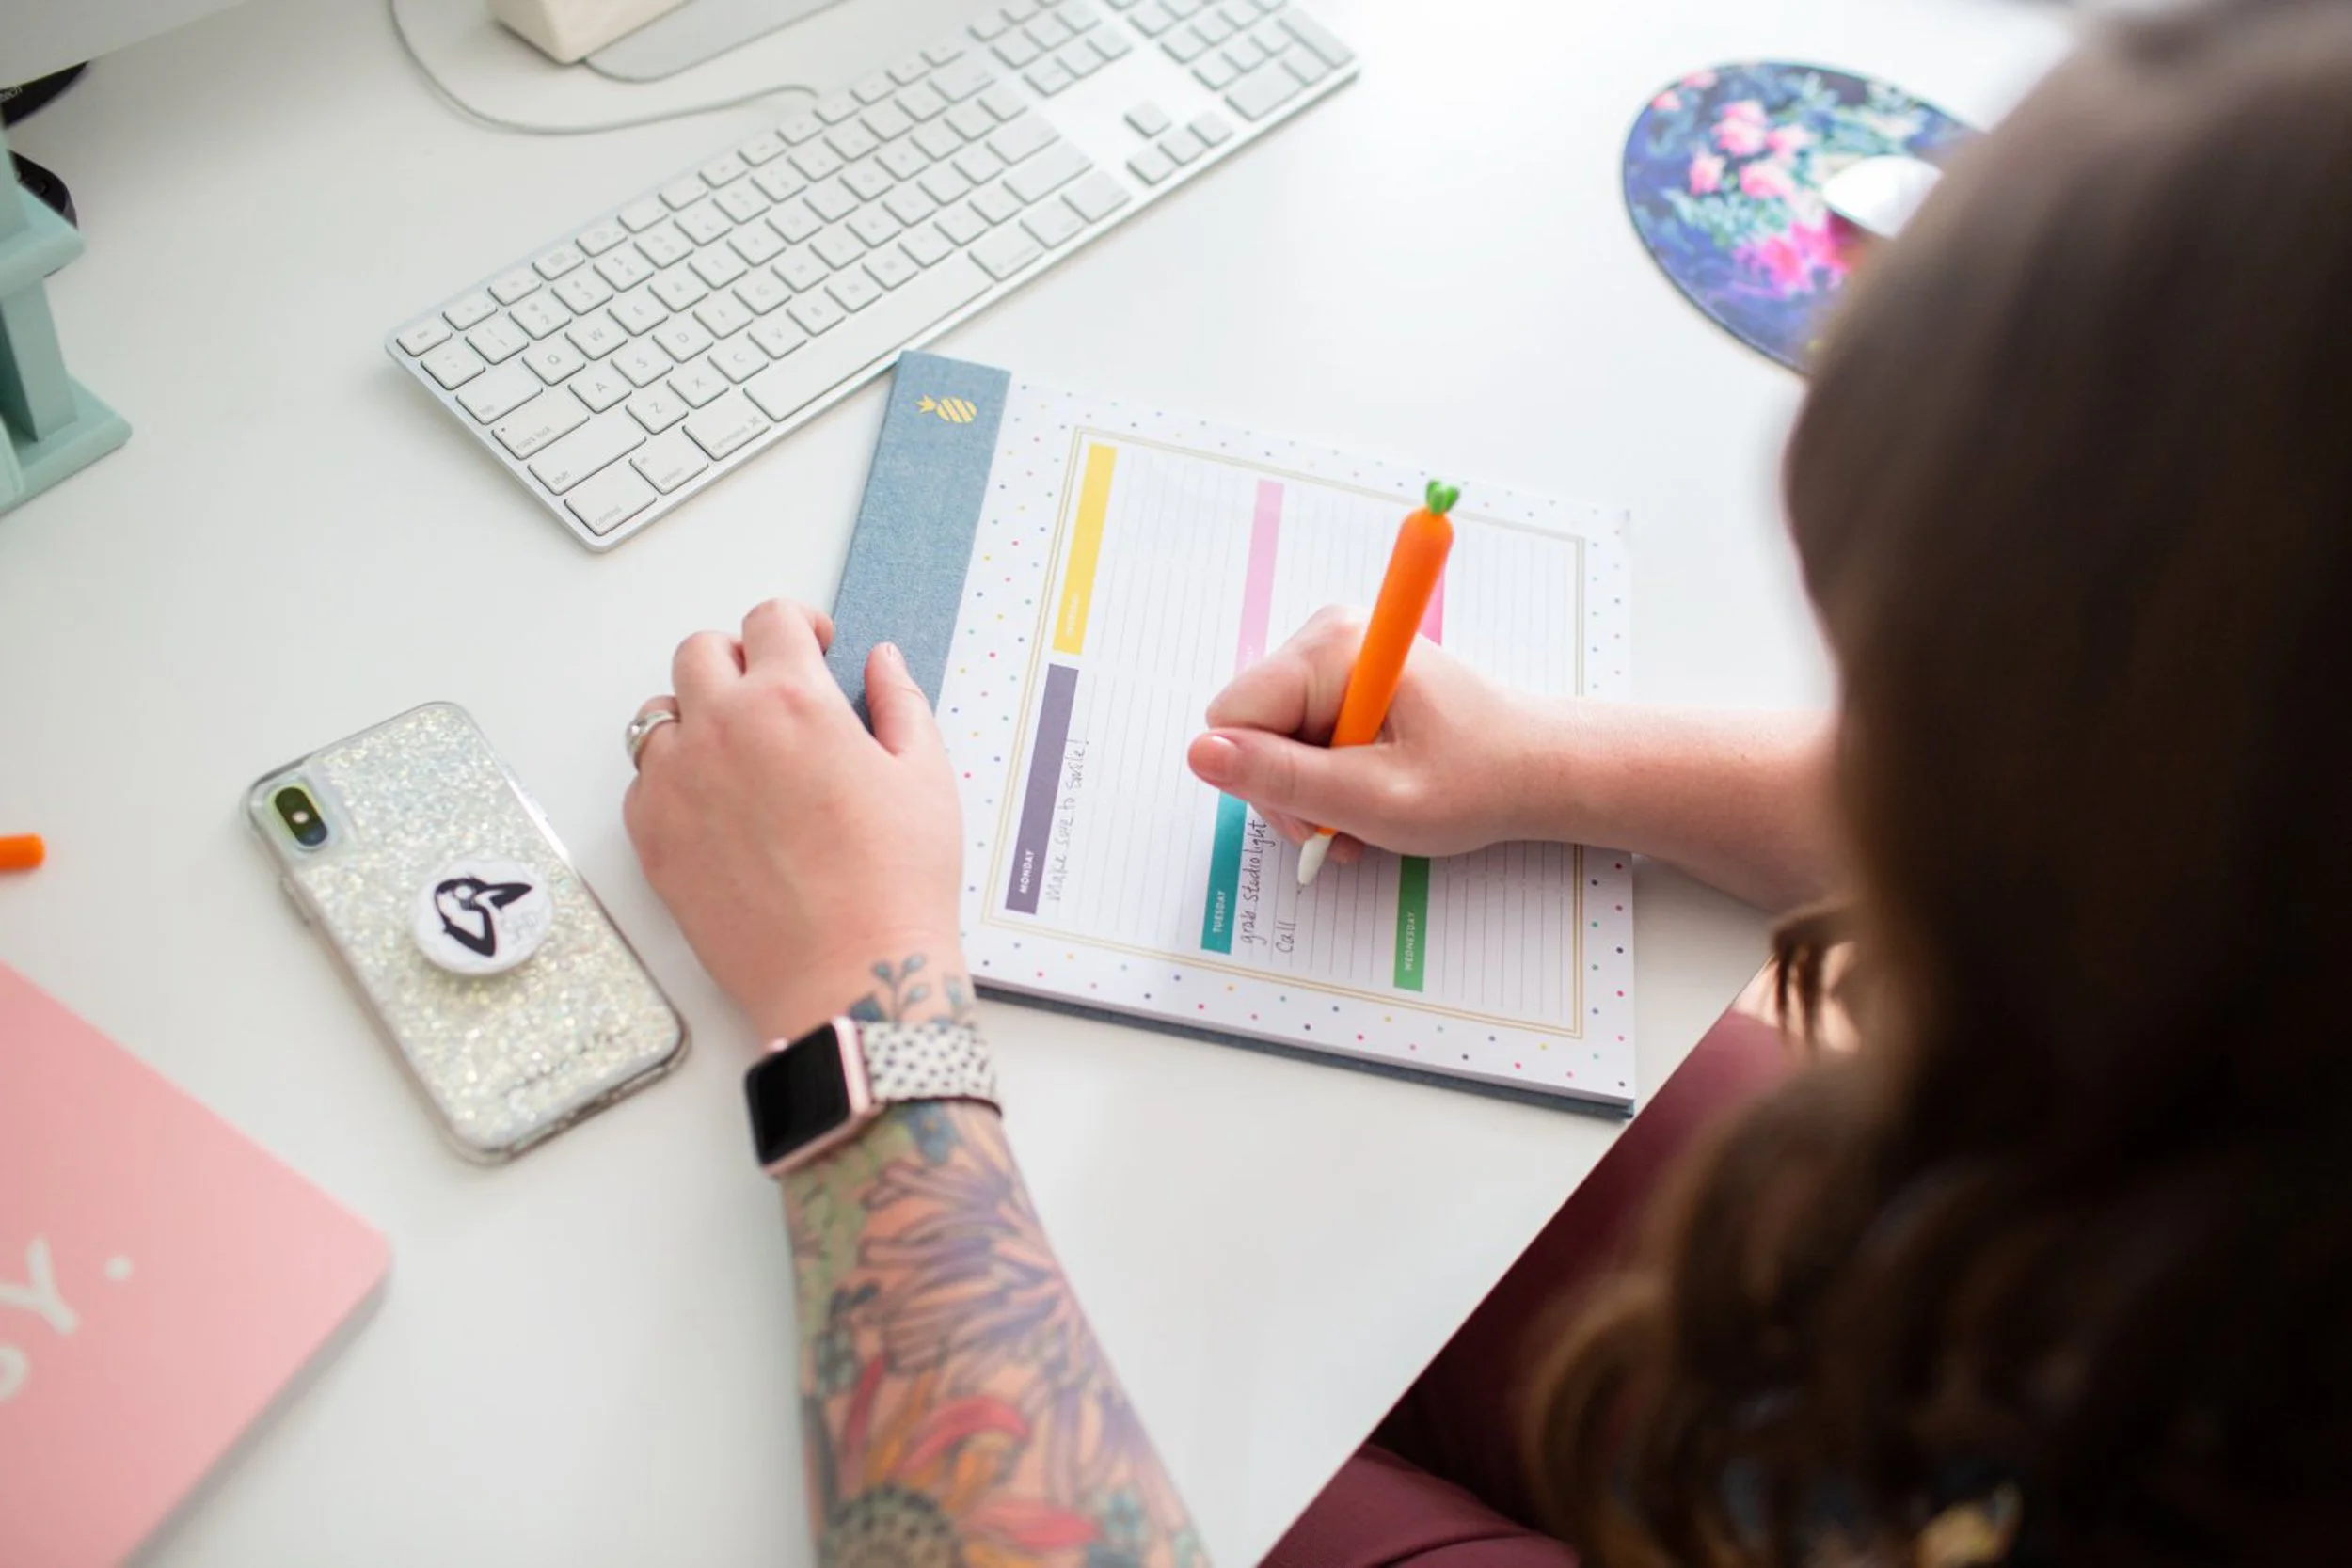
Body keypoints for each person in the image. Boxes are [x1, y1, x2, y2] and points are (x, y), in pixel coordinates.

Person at [618, 1, 2352, 1562]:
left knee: (1223, 1439)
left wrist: (857, 1009)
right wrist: (1558, 761)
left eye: (1907, 703)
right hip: (2051, 1354)